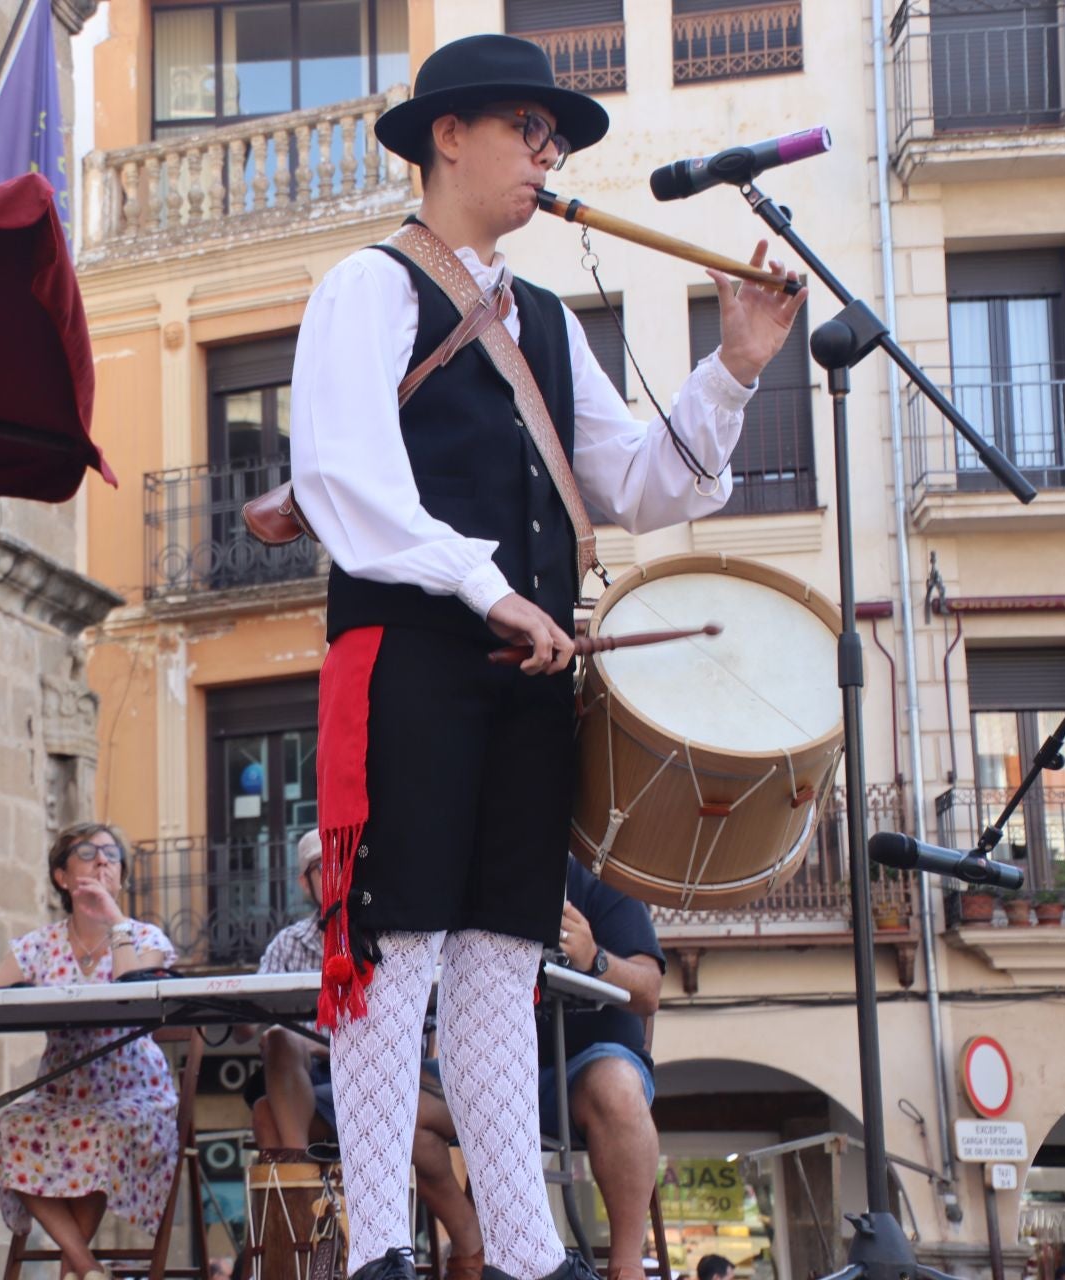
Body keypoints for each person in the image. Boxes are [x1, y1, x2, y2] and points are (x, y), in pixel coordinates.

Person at [287, 31, 806, 1280]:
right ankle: (383, 1249)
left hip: (527, 675)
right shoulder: (367, 286)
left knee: (503, 953)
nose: (547, 152)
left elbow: (634, 482)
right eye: (529, 128)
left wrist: (733, 370)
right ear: (446, 137)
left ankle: (525, 1250)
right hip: (409, 651)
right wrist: (486, 587)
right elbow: (340, 476)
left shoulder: (550, 327)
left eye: (555, 138)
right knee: (395, 942)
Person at [251, 831, 486, 1280]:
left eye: (348, 860)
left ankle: (339, 1248)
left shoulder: (394, 930)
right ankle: (306, 1241)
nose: (340, 874)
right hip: (324, 1088)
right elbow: (249, 1025)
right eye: (325, 867)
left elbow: (418, 1025)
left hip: (400, 1078)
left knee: (390, 1111)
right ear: (307, 883)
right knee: (277, 1053)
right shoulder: (289, 944)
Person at [0, 823, 181, 1280]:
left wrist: (114, 922)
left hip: (134, 1090)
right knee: (11, 1126)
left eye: (112, 855)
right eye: (88, 852)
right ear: (61, 877)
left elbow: (132, 989)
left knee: (101, 1132)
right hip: (62, 1091)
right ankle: (86, 1269)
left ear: (122, 877)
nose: (103, 860)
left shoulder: (145, 938)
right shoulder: (39, 945)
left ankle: (74, 1275)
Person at [545, 859, 666, 1280]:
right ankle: (468, 1251)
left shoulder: (604, 881)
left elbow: (649, 990)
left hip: (588, 1067)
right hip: (494, 1070)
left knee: (616, 1085)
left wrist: (594, 958)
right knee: (403, 1101)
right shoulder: (471, 877)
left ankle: (626, 1267)